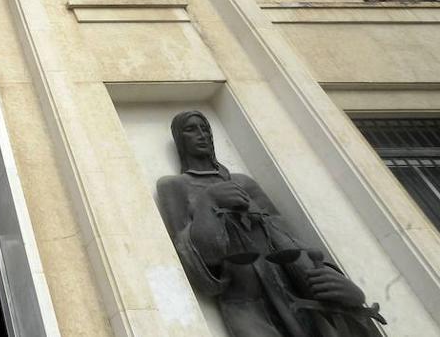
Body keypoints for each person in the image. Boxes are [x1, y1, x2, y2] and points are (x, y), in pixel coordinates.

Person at [156, 110, 382, 337]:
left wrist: (339, 283)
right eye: (191, 129)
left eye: (205, 129)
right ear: (179, 139)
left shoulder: (243, 182)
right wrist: (208, 202)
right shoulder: (174, 186)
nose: (202, 135)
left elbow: (289, 239)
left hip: (292, 292)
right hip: (245, 304)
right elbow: (197, 257)